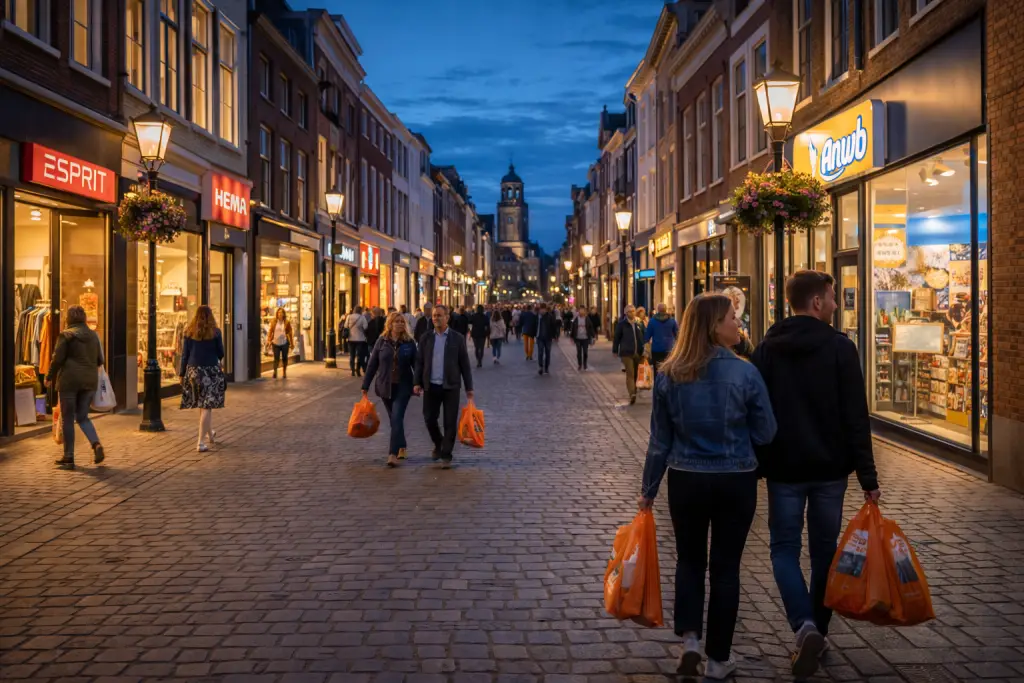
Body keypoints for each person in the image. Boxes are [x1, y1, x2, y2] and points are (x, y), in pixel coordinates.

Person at [639, 294, 777, 680]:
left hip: (686, 479)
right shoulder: (746, 373)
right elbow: (767, 431)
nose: (739, 324)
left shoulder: (670, 373)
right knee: (726, 568)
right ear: (715, 326)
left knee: (689, 560)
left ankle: (690, 643)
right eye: (734, 318)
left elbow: (659, 441)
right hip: (736, 480)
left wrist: (648, 490)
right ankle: (718, 660)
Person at [751, 270, 881, 679]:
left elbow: (756, 411)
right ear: (816, 303)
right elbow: (855, 417)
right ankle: (817, 630)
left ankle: (803, 625)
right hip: (829, 470)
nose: (837, 304)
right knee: (825, 551)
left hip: (785, 470)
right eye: (832, 297)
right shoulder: (841, 348)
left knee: (783, 548)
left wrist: (758, 459)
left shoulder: (768, 348)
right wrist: (868, 476)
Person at [413, 305, 474, 469]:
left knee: (449, 421)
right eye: (434, 316)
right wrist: (417, 382)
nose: (436, 318)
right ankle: (439, 443)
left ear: (447, 317)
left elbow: (465, 364)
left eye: (439, 315)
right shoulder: (426, 338)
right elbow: (419, 362)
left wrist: (469, 387)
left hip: (451, 386)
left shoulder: (457, 338)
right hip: (430, 385)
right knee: (429, 418)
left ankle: (446, 454)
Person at [47, 305, 106, 470]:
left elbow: (57, 359)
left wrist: (49, 376)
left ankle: (69, 457)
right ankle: (96, 444)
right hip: (89, 381)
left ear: (69, 319)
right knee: (82, 417)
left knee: (67, 418)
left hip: (69, 381)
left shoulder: (66, 335)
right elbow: (100, 360)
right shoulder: (94, 335)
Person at [363, 312, 418, 468]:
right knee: (395, 419)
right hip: (385, 386)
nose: (400, 324)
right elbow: (372, 364)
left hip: (404, 386)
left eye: (402, 321)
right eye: (396, 321)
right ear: (390, 323)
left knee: (396, 417)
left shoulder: (409, 342)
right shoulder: (382, 342)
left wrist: (418, 383)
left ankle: (392, 453)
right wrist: (365, 385)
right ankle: (402, 445)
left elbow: (417, 365)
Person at [179, 305, 226, 453]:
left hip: (193, 371)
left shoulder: (189, 332)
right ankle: (200, 442)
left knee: (203, 405)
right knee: (207, 405)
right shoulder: (216, 333)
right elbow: (221, 353)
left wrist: (181, 373)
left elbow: (184, 355)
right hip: (210, 370)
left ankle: (210, 434)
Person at [612, 305, 646, 404]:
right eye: (630, 311)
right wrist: (615, 350)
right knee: (630, 373)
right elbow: (617, 338)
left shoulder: (639, 323)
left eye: (633, 311)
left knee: (636, 373)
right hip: (626, 353)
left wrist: (645, 349)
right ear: (626, 313)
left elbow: (644, 336)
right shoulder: (622, 324)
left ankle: (634, 391)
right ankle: (632, 394)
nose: (632, 313)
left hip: (638, 352)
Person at [645, 303, 679, 373]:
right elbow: (678, 336)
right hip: (669, 349)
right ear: (666, 310)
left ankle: (658, 383)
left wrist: (646, 351)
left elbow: (647, 337)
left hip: (656, 349)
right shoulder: (672, 321)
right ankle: (666, 383)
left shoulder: (652, 321)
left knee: (657, 371)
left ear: (657, 310)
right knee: (668, 370)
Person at [267, 308, 293, 379]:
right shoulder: (274, 322)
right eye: (278, 313)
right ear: (277, 314)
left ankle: (284, 372)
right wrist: (269, 340)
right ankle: (275, 372)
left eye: (281, 313)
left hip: (284, 343)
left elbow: (290, 333)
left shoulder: (287, 322)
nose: (280, 314)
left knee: (285, 358)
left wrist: (292, 343)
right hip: (275, 343)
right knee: (276, 358)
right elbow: (270, 331)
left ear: (284, 314)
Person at [345, 306, 369, 377]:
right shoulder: (362, 317)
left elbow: (346, 326)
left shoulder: (349, 317)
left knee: (352, 355)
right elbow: (365, 327)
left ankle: (352, 371)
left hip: (351, 339)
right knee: (359, 355)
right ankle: (358, 370)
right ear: (360, 310)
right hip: (360, 339)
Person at [535, 302, 558, 376]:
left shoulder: (550, 316)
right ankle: (541, 366)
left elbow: (553, 326)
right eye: (541, 309)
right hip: (540, 337)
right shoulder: (537, 316)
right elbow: (534, 325)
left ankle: (546, 367)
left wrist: (554, 336)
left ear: (546, 309)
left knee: (548, 352)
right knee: (540, 352)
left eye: (544, 309)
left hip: (548, 337)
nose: (542, 311)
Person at [571, 305, 596, 371]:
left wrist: (593, 336)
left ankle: (585, 364)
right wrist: (572, 337)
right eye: (580, 310)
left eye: (583, 310)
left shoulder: (587, 319)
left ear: (585, 311)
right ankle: (580, 364)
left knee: (585, 352)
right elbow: (573, 328)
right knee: (579, 352)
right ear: (578, 311)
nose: (581, 311)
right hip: (578, 338)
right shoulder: (576, 319)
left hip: (585, 338)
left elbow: (591, 328)